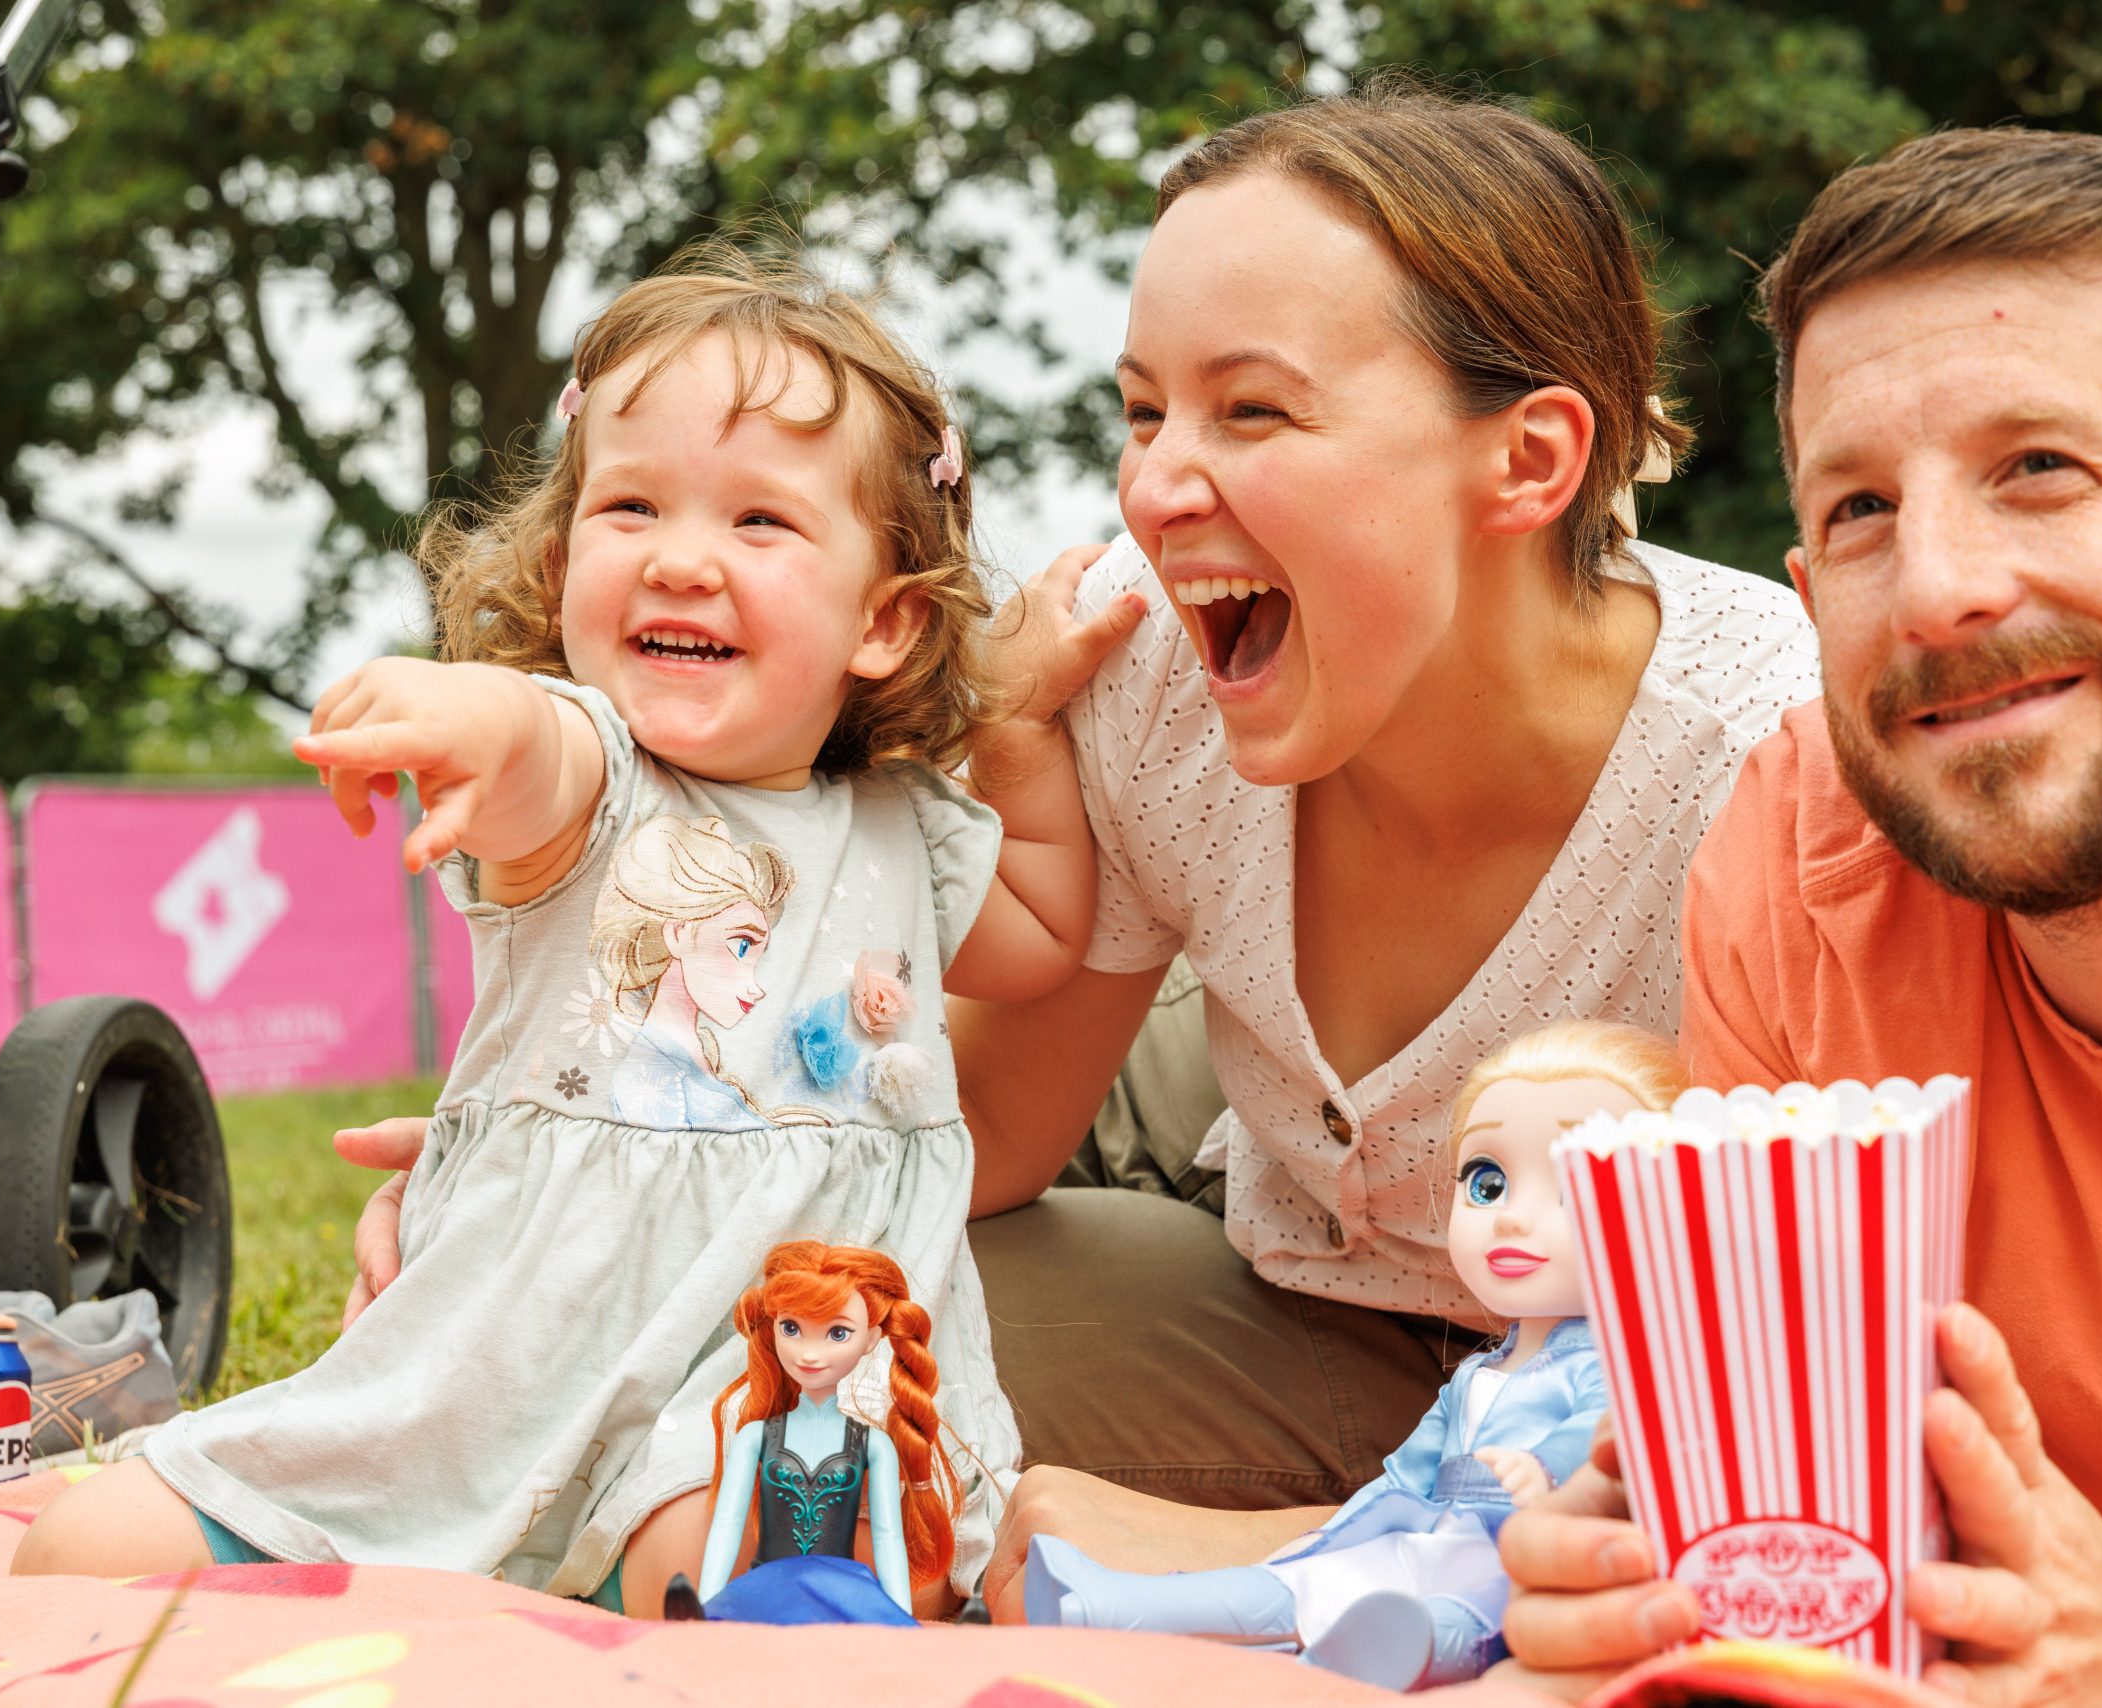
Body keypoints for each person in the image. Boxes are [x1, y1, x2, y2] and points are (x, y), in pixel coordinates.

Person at [332, 86, 1823, 1602]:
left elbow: (1835, 1398)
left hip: (1628, 1395)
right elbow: (971, 1138)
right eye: (1143, 410)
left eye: (1254, 410)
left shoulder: (1778, 765)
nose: (1160, 487)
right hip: (1294, 1317)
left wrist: (1286, 1556)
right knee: (785, 1338)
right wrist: (572, 1185)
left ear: (1530, 458)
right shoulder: (1159, 679)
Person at [11, 251, 1122, 1615]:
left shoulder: (905, 831)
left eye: (759, 522)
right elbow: (534, 746)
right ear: (561, 557)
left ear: (884, 619)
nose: (678, 557)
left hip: (768, 1387)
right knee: (83, 1555)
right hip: (494, 1377)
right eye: (632, 505)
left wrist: (1013, 728)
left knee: (747, 1580)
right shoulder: (601, 773)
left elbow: (1044, 931)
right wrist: (466, 714)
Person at [1497, 128, 2102, 1705]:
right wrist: (1654, 1574)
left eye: (2038, 467)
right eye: (1857, 511)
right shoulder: (1790, 866)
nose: (1933, 593)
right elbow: (1828, 1530)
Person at [1019, 1022, 1674, 1692]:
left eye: (1570, 1191)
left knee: (1466, 1613)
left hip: (1530, 1559)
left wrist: (1543, 1467)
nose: (1510, 1219)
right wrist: (1347, 1530)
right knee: (1306, 1577)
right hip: (1429, 1535)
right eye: (1486, 1183)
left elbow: (1607, 1435)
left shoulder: (1611, 1367)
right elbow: (1406, 1472)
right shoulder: (1479, 1373)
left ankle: (1384, 1652)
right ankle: (1116, 1606)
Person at [687, 1242, 962, 1626]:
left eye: (837, 1333)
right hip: (769, 1584)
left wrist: (901, 1618)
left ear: (870, 1340)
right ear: (773, 1326)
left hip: (842, 1588)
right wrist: (706, 1603)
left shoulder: (873, 1445)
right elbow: (726, 1526)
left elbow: (888, 1538)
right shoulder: (756, 1438)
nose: (809, 1354)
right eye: (792, 1328)